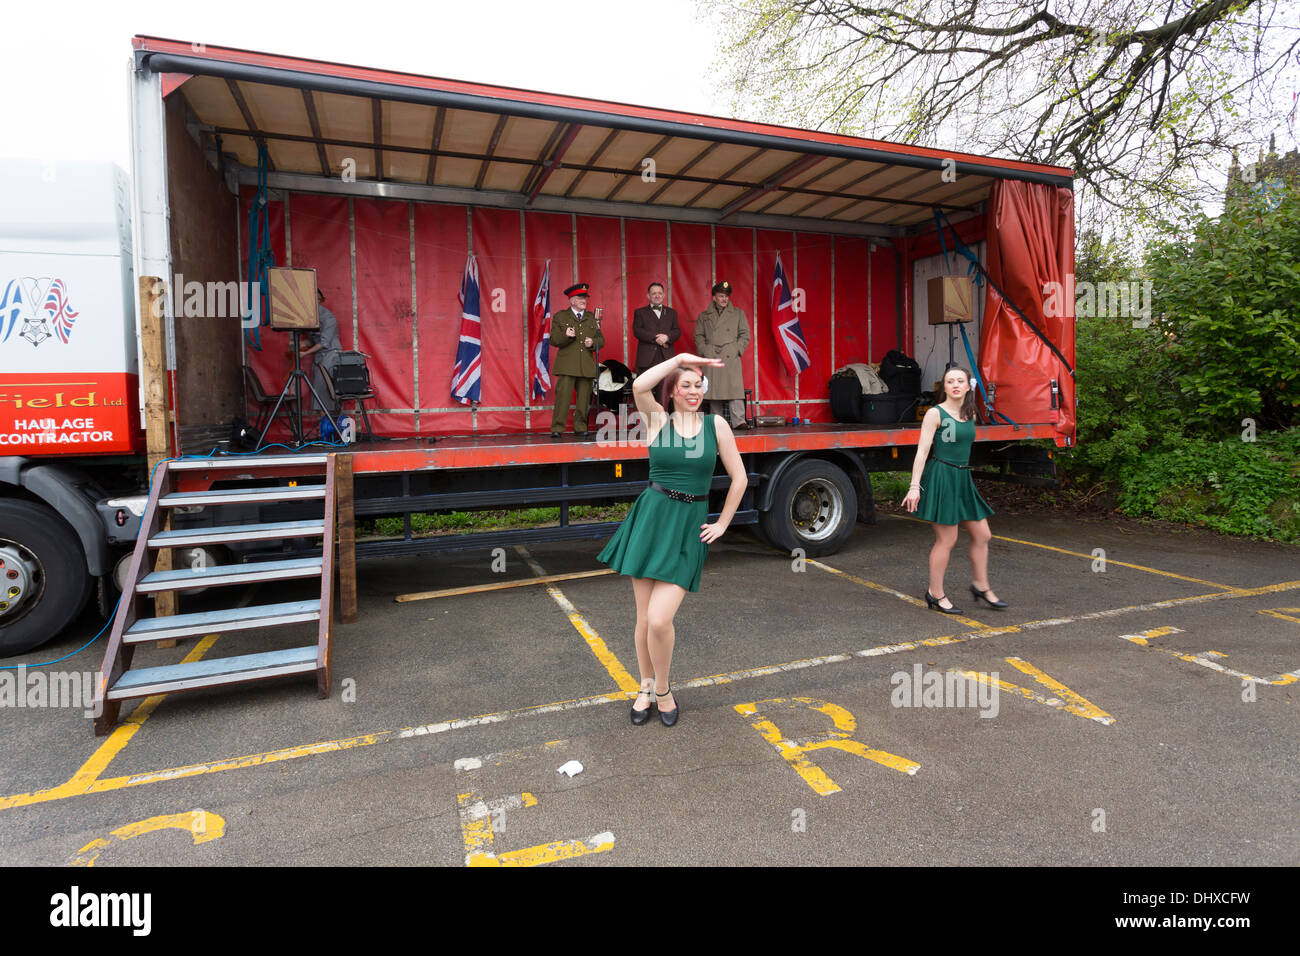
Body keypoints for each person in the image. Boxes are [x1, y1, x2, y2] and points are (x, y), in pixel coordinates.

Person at [597, 351, 747, 726]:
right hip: (651, 519)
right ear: (674, 391)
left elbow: (740, 479)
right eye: (687, 385)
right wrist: (679, 357)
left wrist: (723, 523)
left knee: (660, 619)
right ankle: (644, 686)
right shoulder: (657, 419)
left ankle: (662, 688)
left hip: (687, 527)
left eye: (699, 385)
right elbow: (638, 385)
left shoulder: (717, 426)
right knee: (644, 619)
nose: (694, 391)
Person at [901, 367, 1007, 614]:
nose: (956, 385)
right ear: (944, 387)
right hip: (942, 477)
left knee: (983, 535)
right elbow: (922, 452)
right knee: (947, 539)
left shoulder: (969, 413)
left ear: (969, 386)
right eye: (950, 381)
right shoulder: (934, 414)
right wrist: (914, 486)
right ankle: (935, 594)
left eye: (960, 381)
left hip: (962, 477)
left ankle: (981, 585)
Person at [549, 282, 604, 438]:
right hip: (567, 365)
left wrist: (593, 343)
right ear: (572, 300)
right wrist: (566, 335)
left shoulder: (591, 318)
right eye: (580, 297)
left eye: (585, 297)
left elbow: (602, 340)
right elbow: (553, 340)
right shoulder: (561, 316)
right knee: (563, 398)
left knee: (584, 400)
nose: (584, 300)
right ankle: (557, 428)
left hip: (585, 365)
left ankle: (580, 426)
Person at [694, 280, 751, 428]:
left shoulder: (738, 313)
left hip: (730, 356)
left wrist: (737, 349)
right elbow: (698, 335)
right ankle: (716, 422)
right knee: (714, 391)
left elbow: (745, 334)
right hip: (712, 355)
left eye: (726, 296)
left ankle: (739, 421)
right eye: (721, 296)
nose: (724, 299)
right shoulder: (704, 315)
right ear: (714, 297)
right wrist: (704, 350)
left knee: (735, 389)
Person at [300, 287, 341, 419]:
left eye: (317, 299)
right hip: (320, 357)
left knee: (324, 389)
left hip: (330, 355)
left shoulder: (328, 317)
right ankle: (325, 425)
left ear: (321, 300)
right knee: (318, 390)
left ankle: (328, 425)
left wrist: (304, 354)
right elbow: (313, 340)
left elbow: (323, 343)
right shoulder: (311, 319)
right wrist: (302, 344)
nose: (314, 302)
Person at [631, 281, 680, 373]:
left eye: (660, 293)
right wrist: (655, 338)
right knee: (646, 387)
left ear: (664, 295)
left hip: (666, 358)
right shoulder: (640, 312)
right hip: (646, 359)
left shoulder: (672, 313)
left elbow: (677, 331)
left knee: (665, 387)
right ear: (648, 296)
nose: (657, 296)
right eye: (654, 293)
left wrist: (667, 337)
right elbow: (637, 331)